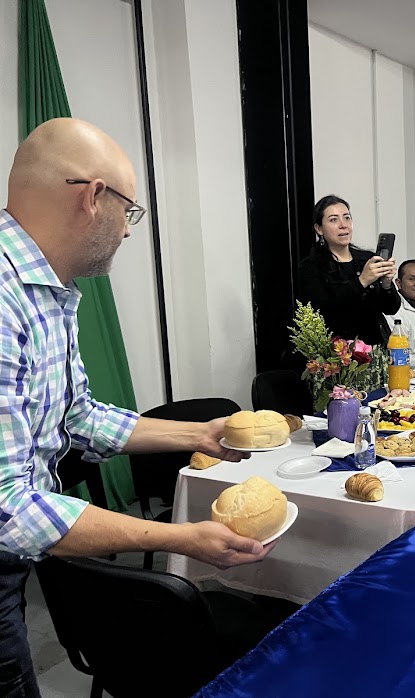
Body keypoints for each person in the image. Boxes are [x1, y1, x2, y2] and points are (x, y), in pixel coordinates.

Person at [0, 118, 277, 695]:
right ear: (94, 197)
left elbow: (80, 417)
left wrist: (199, 434)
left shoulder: (48, 291)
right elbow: (9, 510)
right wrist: (180, 537)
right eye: (130, 211)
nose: (128, 231)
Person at [297, 195, 401, 346]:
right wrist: (362, 281)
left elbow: (391, 308)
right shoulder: (310, 268)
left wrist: (386, 284)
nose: (343, 225)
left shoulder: (367, 259)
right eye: (334, 220)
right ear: (319, 229)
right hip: (338, 353)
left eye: (347, 218)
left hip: (376, 349)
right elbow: (327, 311)